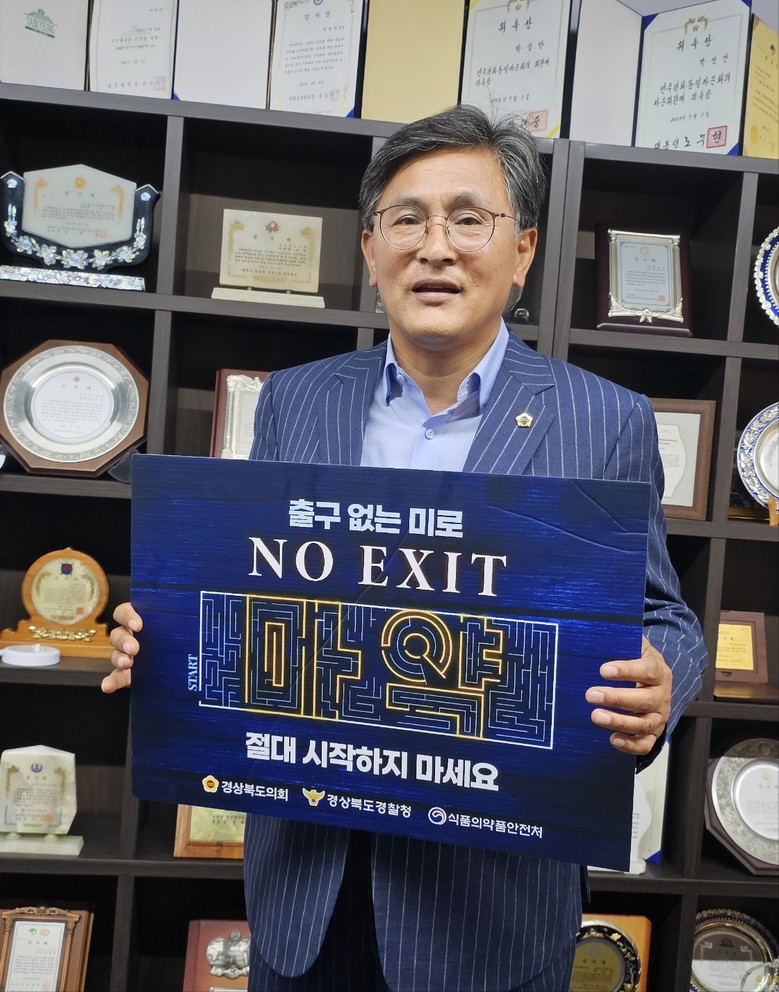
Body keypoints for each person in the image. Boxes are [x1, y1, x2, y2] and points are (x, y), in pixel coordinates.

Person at [103, 104, 708, 992]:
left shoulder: (604, 418)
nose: (435, 248)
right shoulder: (295, 401)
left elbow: (664, 616)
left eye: (467, 219)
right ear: (369, 247)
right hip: (306, 889)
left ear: (522, 252)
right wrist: (163, 634)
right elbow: (248, 584)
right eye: (407, 220)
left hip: (491, 909)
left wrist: (659, 682)